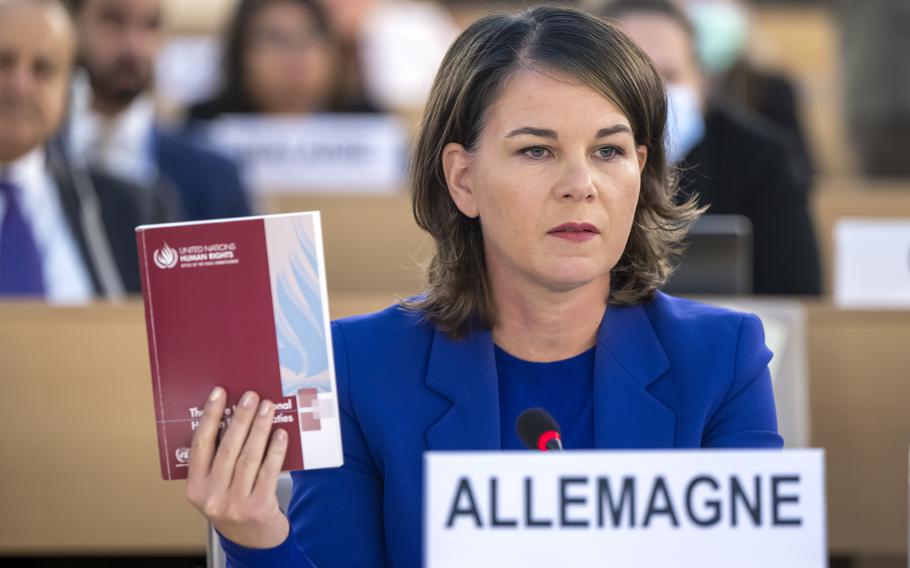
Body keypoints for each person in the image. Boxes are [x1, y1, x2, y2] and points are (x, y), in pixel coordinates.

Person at [185, 6, 783, 566]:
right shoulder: (359, 368)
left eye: (609, 150)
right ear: (462, 178)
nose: (581, 184)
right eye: (536, 150)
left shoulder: (722, 358)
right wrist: (257, 540)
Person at [597, 0, 821, 296]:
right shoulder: (567, 165)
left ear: (701, 81)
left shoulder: (763, 158)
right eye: (632, 80)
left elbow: (795, 293)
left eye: (669, 75)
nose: (652, 95)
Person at [0, 0, 174, 301]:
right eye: (3, 62)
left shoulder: (134, 212)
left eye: (43, 69)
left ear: (69, 89)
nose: (20, 85)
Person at [64, 0, 252, 221]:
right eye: (113, 20)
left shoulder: (214, 179)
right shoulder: (30, 165)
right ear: (71, 25)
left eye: (151, 25)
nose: (134, 46)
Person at [187, 0, 377, 121]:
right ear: (240, 54)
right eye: (275, 38)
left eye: (311, 36)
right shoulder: (206, 125)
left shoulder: (368, 122)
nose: (295, 53)